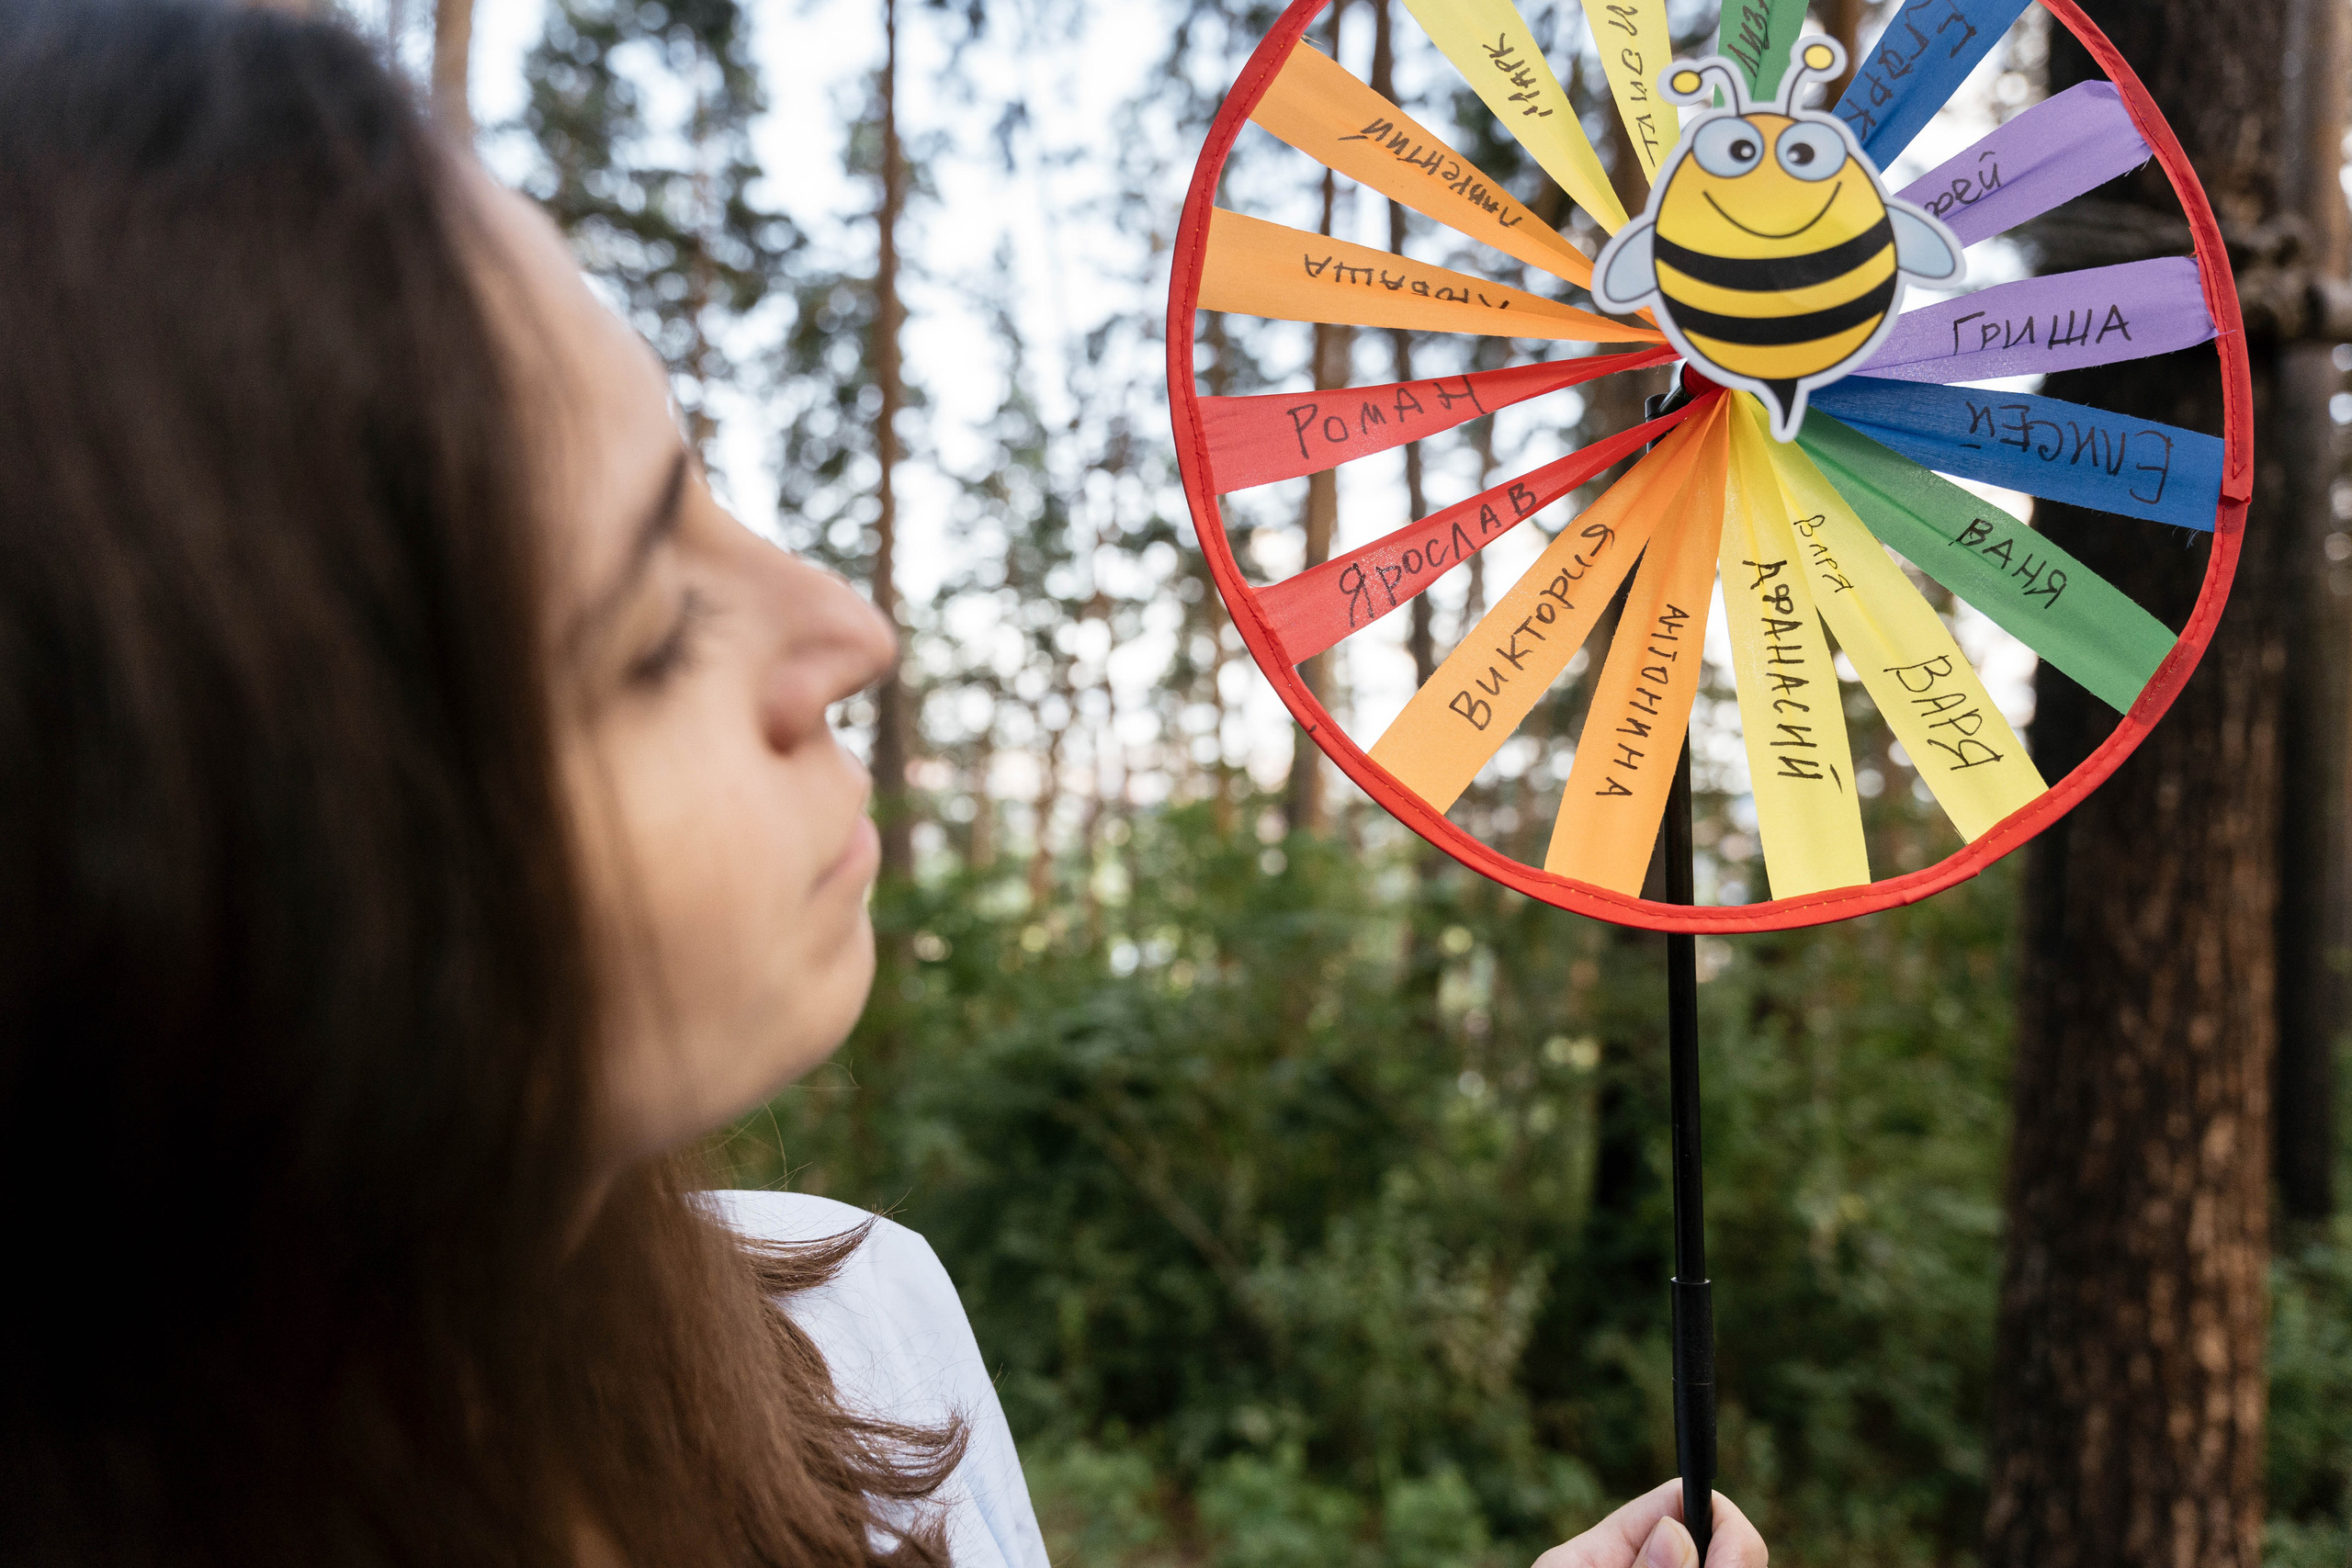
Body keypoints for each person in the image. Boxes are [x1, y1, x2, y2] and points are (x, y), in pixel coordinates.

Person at [0, 4, 1770, 1566]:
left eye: (702, 486)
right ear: (217, 884)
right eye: (643, 630)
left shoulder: (854, 1331)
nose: (849, 630)